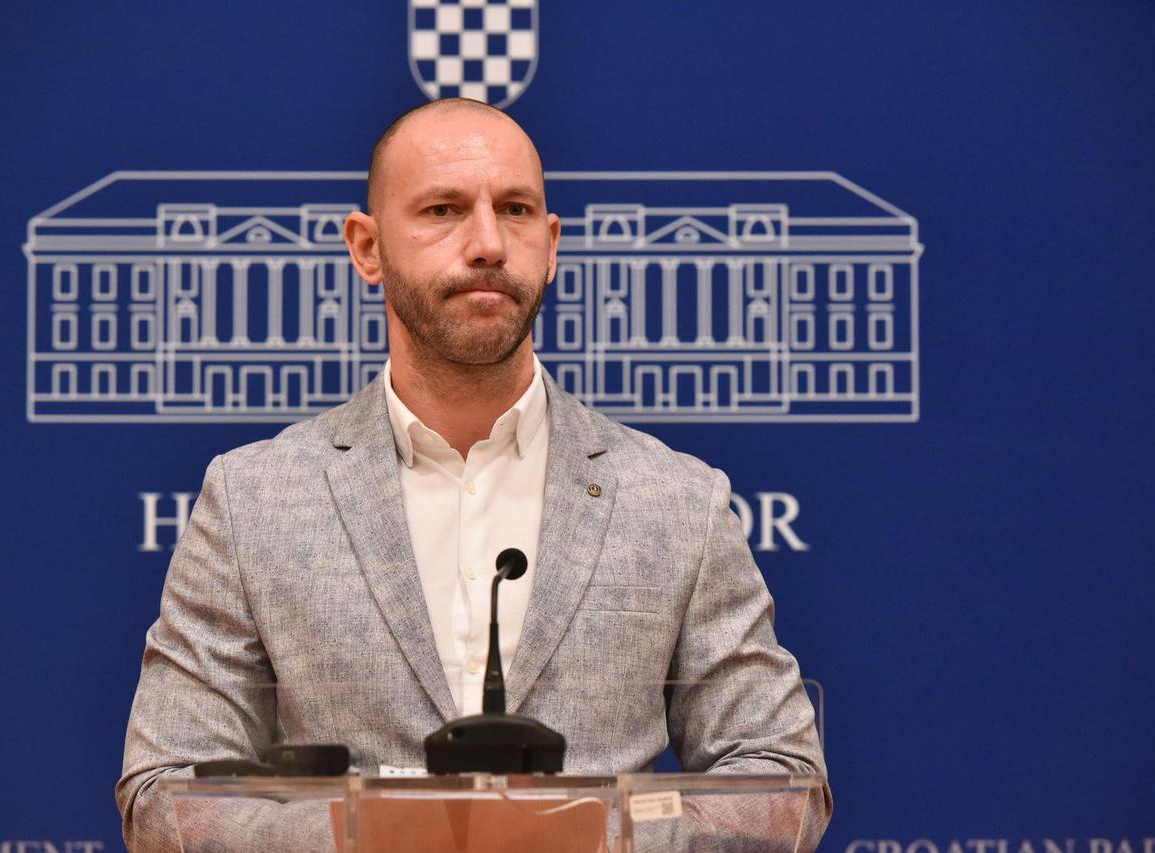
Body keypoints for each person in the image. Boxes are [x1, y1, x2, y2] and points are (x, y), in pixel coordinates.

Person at [117, 98, 830, 850]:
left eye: (516, 210)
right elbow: (165, 793)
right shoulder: (252, 500)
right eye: (443, 210)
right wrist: (384, 836)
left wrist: (584, 837)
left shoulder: (678, 500)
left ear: (551, 245)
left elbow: (783, 783)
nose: (488, 243)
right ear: (367, 247)